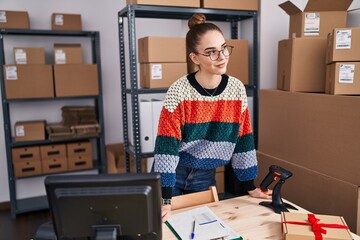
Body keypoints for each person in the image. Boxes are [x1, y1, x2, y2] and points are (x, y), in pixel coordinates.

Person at [153, 13, 271, 222]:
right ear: (195, 58)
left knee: (204, 229)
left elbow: (243, 140)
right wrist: (165, 198)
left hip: (205, 174)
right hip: (173, 174)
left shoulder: (236, 89)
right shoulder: (179, 92)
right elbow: (166, 147)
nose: (222, 56)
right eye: (211, 52)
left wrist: (250, 187)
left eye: (224, 48)